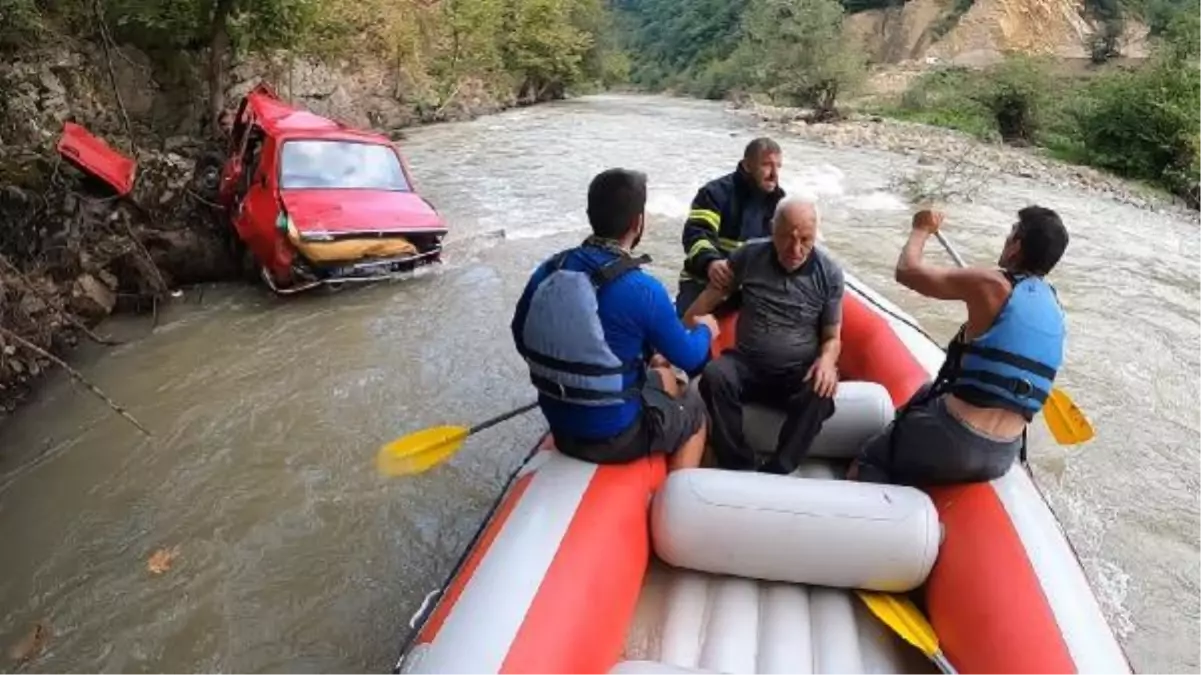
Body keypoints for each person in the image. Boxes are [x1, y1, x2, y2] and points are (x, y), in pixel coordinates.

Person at [511, 168, 721, 471]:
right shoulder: (643, 289)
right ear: (639, 222)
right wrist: (705, 330)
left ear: (589, 213)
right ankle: (677, 500)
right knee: (695, 412)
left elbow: (521, 336)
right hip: (614, 437)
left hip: (559, 426)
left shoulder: (547, 270)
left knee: (661, 375)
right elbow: (691, 359)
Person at [849, 206, 1069, 486]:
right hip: (1003, 453)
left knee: (871, 458)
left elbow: (907, 271)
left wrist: (920, 229)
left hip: (954, 437)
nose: (1007, 237)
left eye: (1012, 232)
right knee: (927, 392)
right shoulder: (1056, 309)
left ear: (1017, 246)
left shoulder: (991, 283)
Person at [684, 198, 843, 474]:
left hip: (797, 371)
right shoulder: (749, 255)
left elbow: (832, 336)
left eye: (805, 239)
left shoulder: (828, 272)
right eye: (786, 238)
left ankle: (780, 468)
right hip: (747, 364)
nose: (795, 249)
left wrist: (827, 362)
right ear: (772, 229)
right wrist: (679, 331)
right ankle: (738, 462)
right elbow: (709, 301)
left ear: (816, 233)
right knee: (715, 375)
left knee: (821, 392)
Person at [675, 137, 786, 317]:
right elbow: (696, 235)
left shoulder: (780, 202)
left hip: (749, 288)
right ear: (747, 165)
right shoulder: (714, 193)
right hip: (701, 281)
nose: (774, 174)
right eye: (766, 165)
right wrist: (711, 263)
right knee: (686, 335)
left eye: (778, 166)